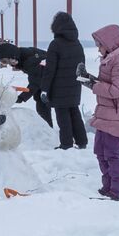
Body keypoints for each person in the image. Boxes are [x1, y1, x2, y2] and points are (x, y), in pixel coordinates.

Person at [77, 24, 119, 198]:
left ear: (110, 44)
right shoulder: (110, 60)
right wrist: (87, 78)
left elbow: (116, 90)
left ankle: (118, 189)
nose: (98, 49)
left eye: (100, 45)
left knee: (111, 154)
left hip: (116, 117)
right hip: (106, 115)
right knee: (100, 152)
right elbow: (105, 85)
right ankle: (108, 185)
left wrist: (92, 84)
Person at [40, 11, 87, 150]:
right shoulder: (78, 44)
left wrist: (44, 89)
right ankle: (82, 141)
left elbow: (50, 70)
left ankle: (66, 144)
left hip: (59, 88)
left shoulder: (55, 44)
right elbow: (82, 67)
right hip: (74, 86)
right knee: (74, 112)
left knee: (62, 115)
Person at [0, 41, 51, 128]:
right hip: (46, 80)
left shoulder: (29, 60)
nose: (9, 64)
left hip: (59, 79)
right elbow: (38, 78)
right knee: (40, 101)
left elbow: (35, 82)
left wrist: (20, 98)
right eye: (4, 62)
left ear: (12, 55)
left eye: (6, 61)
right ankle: (47, 130)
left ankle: (54, 133)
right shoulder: (22, 55)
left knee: (61, 109)